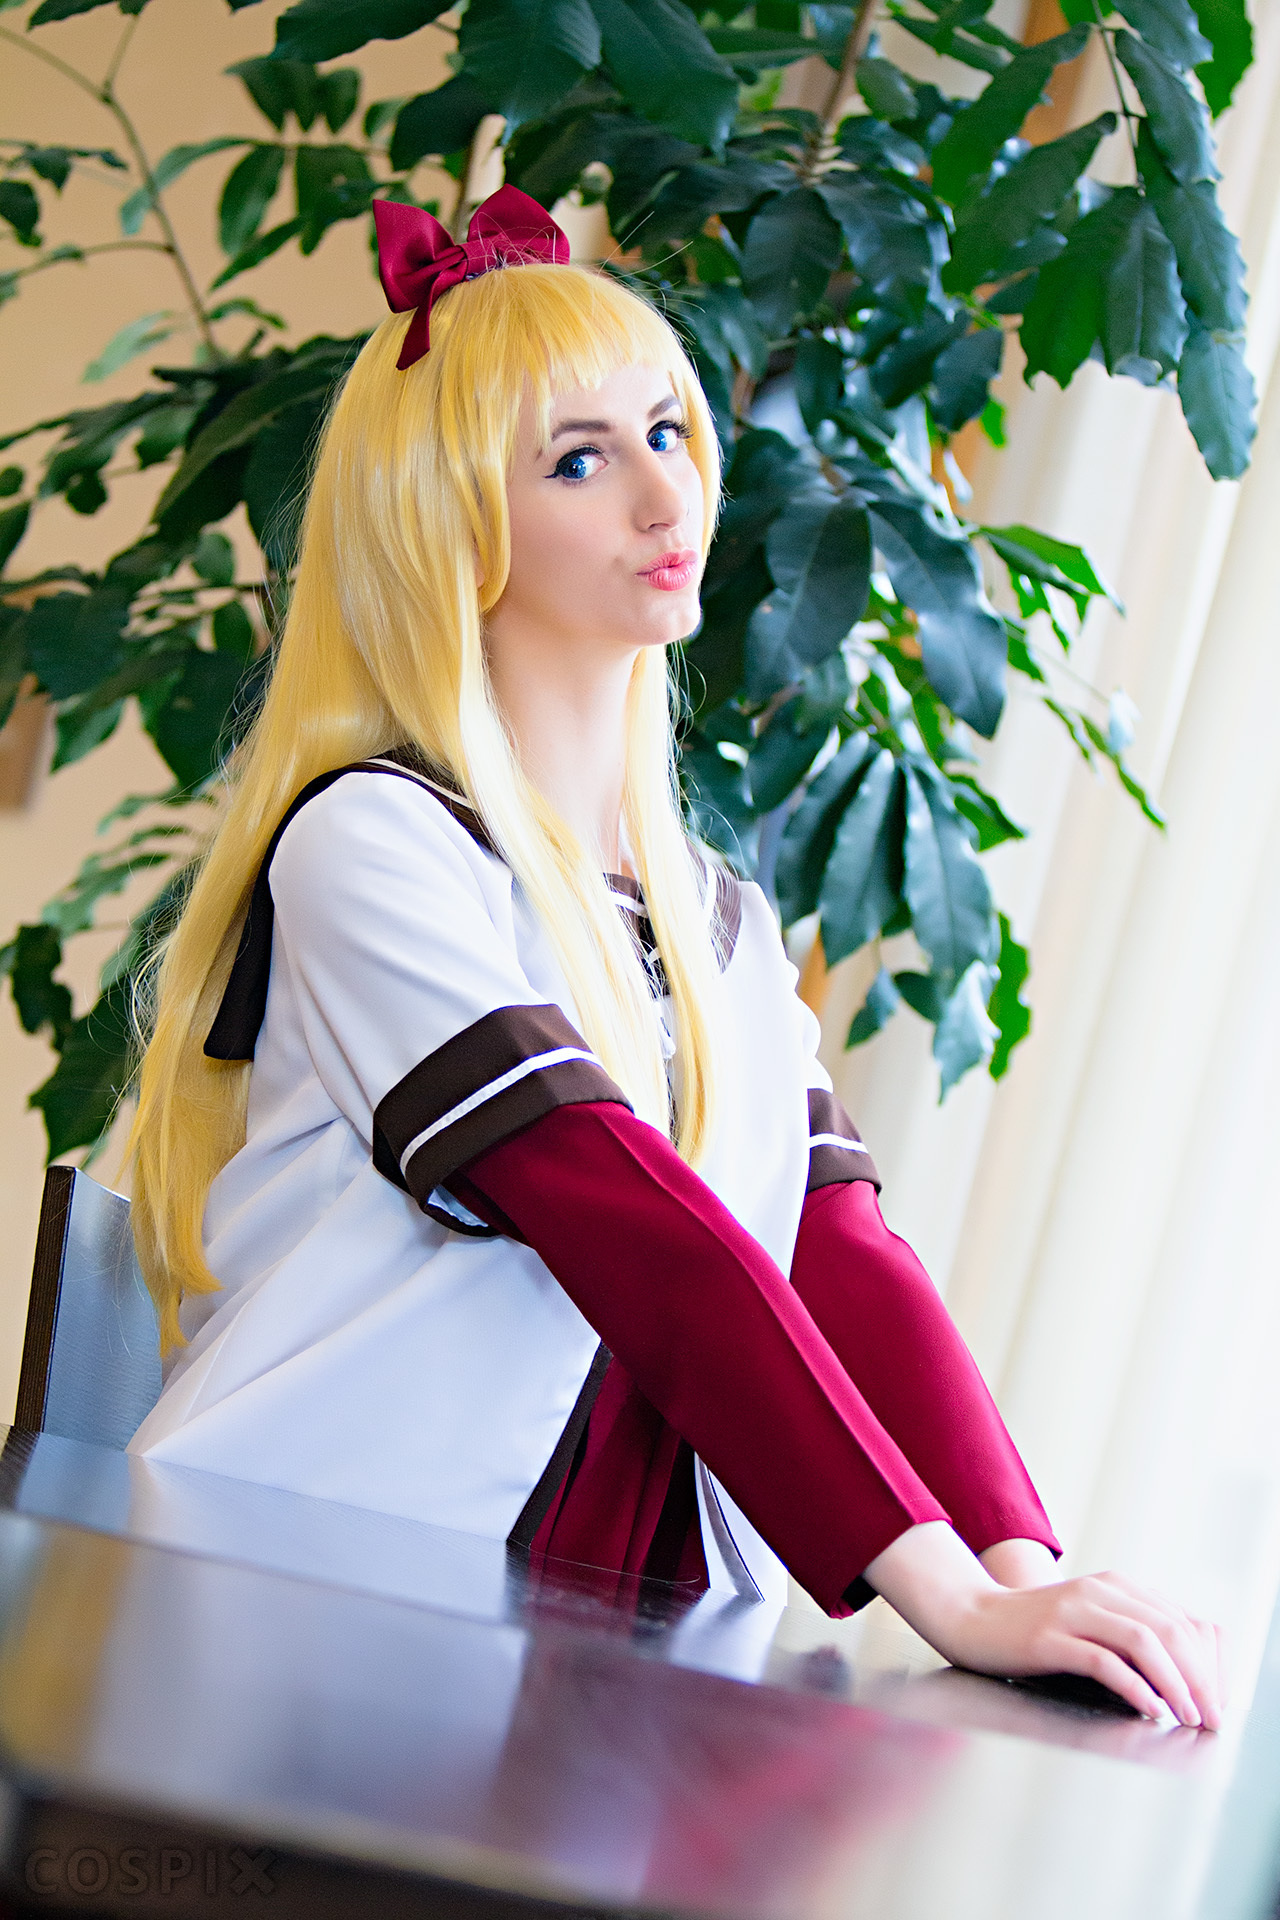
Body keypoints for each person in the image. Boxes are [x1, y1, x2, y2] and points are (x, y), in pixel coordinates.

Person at [127, 187, 1222, 1730]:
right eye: (578, 461)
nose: (665, 495)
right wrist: (946, 1595)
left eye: (666, 431)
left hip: (610, 1653)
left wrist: (1020, 1566)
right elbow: (619, 1213)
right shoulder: (372, 844)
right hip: (302, 1614)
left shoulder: (720, 921)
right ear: (455, 527)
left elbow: (836, 1250)